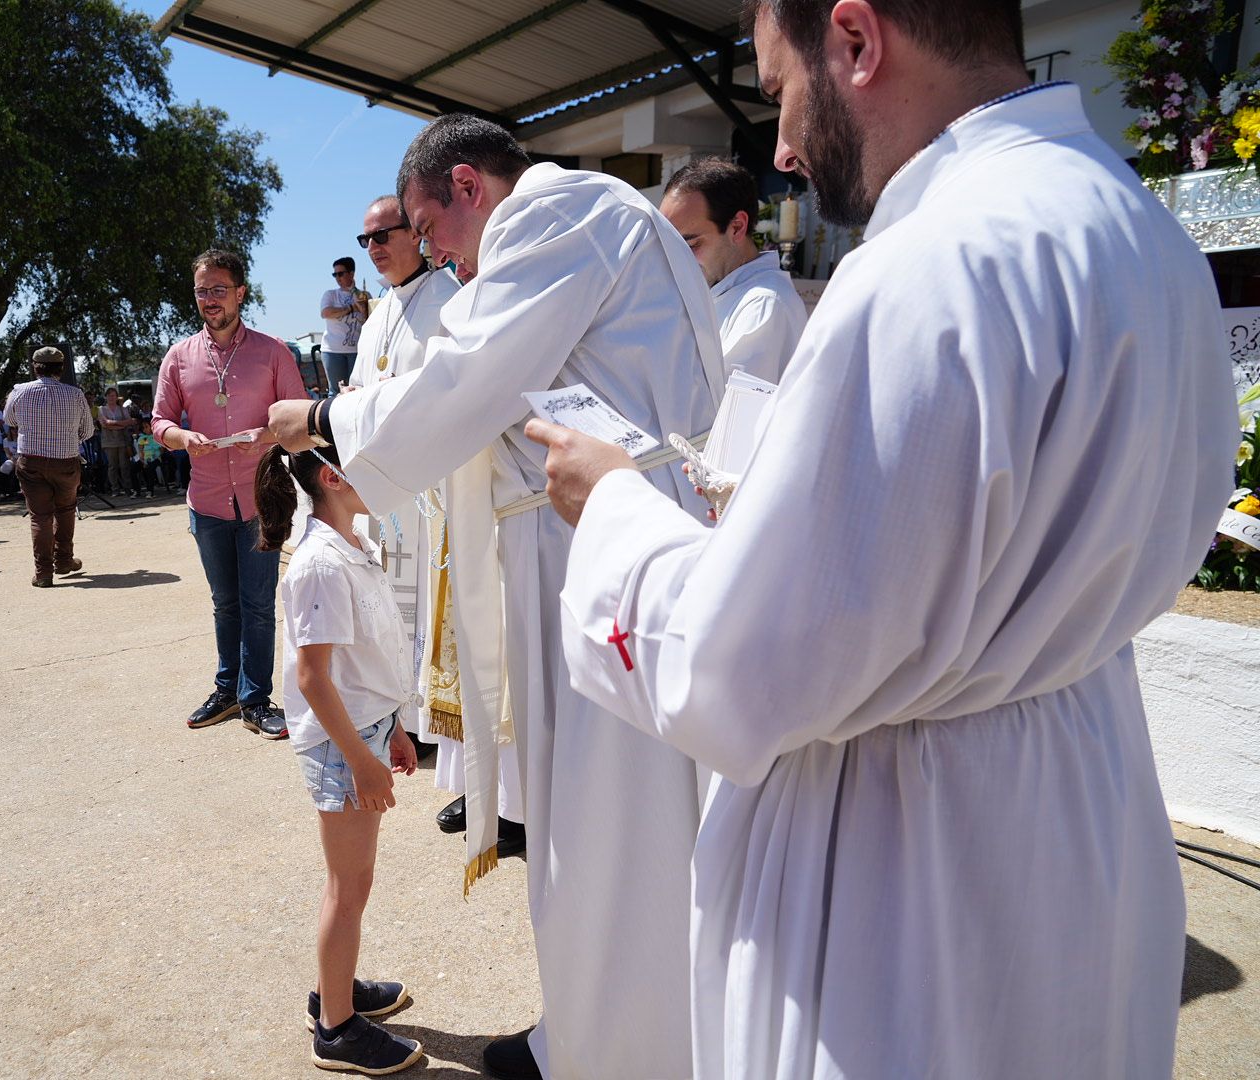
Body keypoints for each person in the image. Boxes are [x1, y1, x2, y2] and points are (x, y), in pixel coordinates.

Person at [524, 2, 1238, 1077]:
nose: (778, 148)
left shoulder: (926, 269)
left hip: (908, 866)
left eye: (779, 93)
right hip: (1084, 802)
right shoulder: (1141, 232)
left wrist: (614, 505)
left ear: (854, 41)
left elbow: (740, 669)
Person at [268, 114, 725, 1080]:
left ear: (469, 187)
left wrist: (319, 415)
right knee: (573, 812)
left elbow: (466, 373)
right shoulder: (580, 216)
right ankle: (588, 1032)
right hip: (579, 532)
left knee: (611, 818)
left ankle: (620, 1053)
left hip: (596, 539)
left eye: (433, 233)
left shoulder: (555, 210)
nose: (440, 262)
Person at [347, 194, 525, 853]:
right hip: (388, 503)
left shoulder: (451, 295)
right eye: (364, 241)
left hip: (440, 505)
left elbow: (450, 397)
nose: (375, 249)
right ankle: (413, 728)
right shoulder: (374, 319)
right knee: (395, 620)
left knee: (441, 625)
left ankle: (442, 746)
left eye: (385, 235)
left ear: (416, 237)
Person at [255, 444, 423, 1076]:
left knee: (354, 882)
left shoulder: (351, 544)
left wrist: (395, 729)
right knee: (348, 886)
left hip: (367, 728)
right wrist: (361, 758)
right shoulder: (321, 564)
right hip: (341, 740)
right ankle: (337, 1028)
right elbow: (314, 679)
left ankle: (335, 990)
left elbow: (364, 660)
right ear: (332, 477)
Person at [152, 249, 307, 740]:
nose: (210, 299)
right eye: (202, 291)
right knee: (226, 603)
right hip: (208, 499)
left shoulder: (273, 351)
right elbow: (159, 421)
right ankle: (227, 690)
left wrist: (268, 434)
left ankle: (256, 698)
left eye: (219, 289)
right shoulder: (178, 356)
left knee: (259, 603)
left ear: (241, 293)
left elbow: (300, 416)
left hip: (262, 497)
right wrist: (182, 438)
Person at [660, 155, 808, 385]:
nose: (678, 260)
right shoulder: (714, 290)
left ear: (737, 227)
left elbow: (717, 407)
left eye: (690, 245)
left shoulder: (764, 305)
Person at [2, 346, 94, 587]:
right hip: (66, 461)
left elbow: (9, 420)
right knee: (65, 511)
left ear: (35, 367)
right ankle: (64, 560)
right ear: (61, 369)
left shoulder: (19, 391)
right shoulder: (75, 394)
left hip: (31, 461)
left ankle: (43, 573)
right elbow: (88, 431)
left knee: (40, 517)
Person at [318, 256, 368, 395]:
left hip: (357, 349)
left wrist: (357, 298)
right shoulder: (330, 294)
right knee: (335, 391)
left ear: (351, 273)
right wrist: (351, 308)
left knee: (357, 390)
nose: (337, 278)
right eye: (335, 274)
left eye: (341, 273)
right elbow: (326, 313)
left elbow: (368, 317)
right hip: (333, 350)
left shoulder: (363, 295)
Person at [98, 387, 139, 496]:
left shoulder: (122, 409)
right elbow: (104, 424)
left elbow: (130, 421)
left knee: (124, 465)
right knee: (112, 466)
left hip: (122, 440)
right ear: (106, 396)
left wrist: (112, 424)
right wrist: (121, 424)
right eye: (109, 395)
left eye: (114, 395)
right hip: (109, 441)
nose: (112, 397)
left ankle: (127, 488)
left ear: (116, 397)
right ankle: (115, 489)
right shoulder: (102, 409)